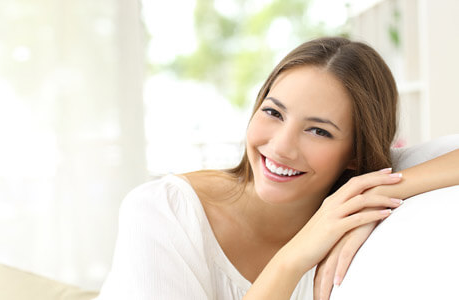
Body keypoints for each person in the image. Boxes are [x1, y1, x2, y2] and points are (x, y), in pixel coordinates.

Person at [95, 37, 459, 300]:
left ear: (355, 155)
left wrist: (385, 190)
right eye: (273, 112)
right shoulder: (162, 211)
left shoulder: (353, 196)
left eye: (319, 131)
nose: (281, 146)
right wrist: (292, 258)